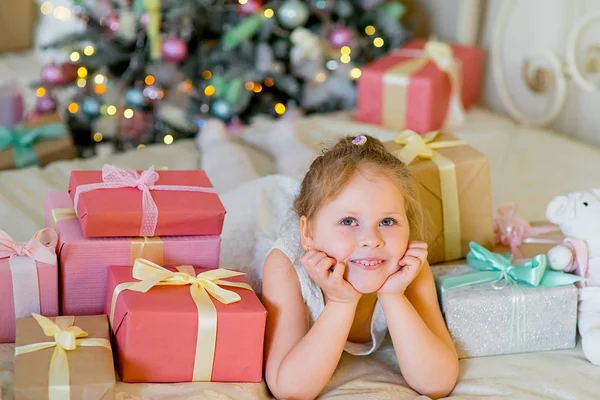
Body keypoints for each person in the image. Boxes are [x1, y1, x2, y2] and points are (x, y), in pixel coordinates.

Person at [261, 134, 459, 400]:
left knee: (301, 168)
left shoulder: (406, 267)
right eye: (348, 221)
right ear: (307, 234)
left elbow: (438, 382)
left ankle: (287, 139)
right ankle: (244, 139)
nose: (371, 240)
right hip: (260, 216)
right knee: (245, 174)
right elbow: (289, 388)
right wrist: (341, 303)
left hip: (314, 210)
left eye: (388, 222)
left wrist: (393, 296)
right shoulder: (284, 266)